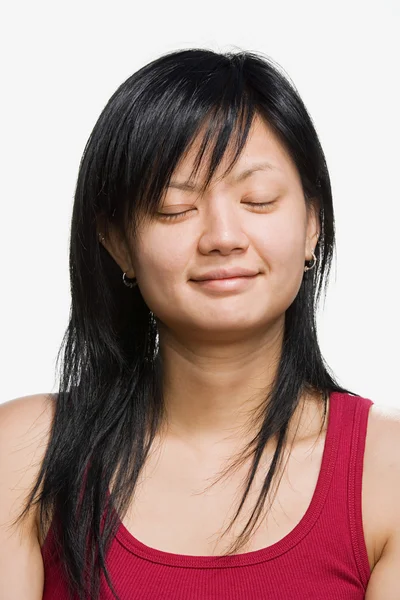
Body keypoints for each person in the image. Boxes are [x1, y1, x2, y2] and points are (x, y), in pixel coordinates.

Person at [0, 48, 399, 600]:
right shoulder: (25, 454)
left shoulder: (388, 470)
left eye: (257, 200)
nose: (222, 236)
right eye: (173, 207)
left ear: (313, 224)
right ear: (118, 244)